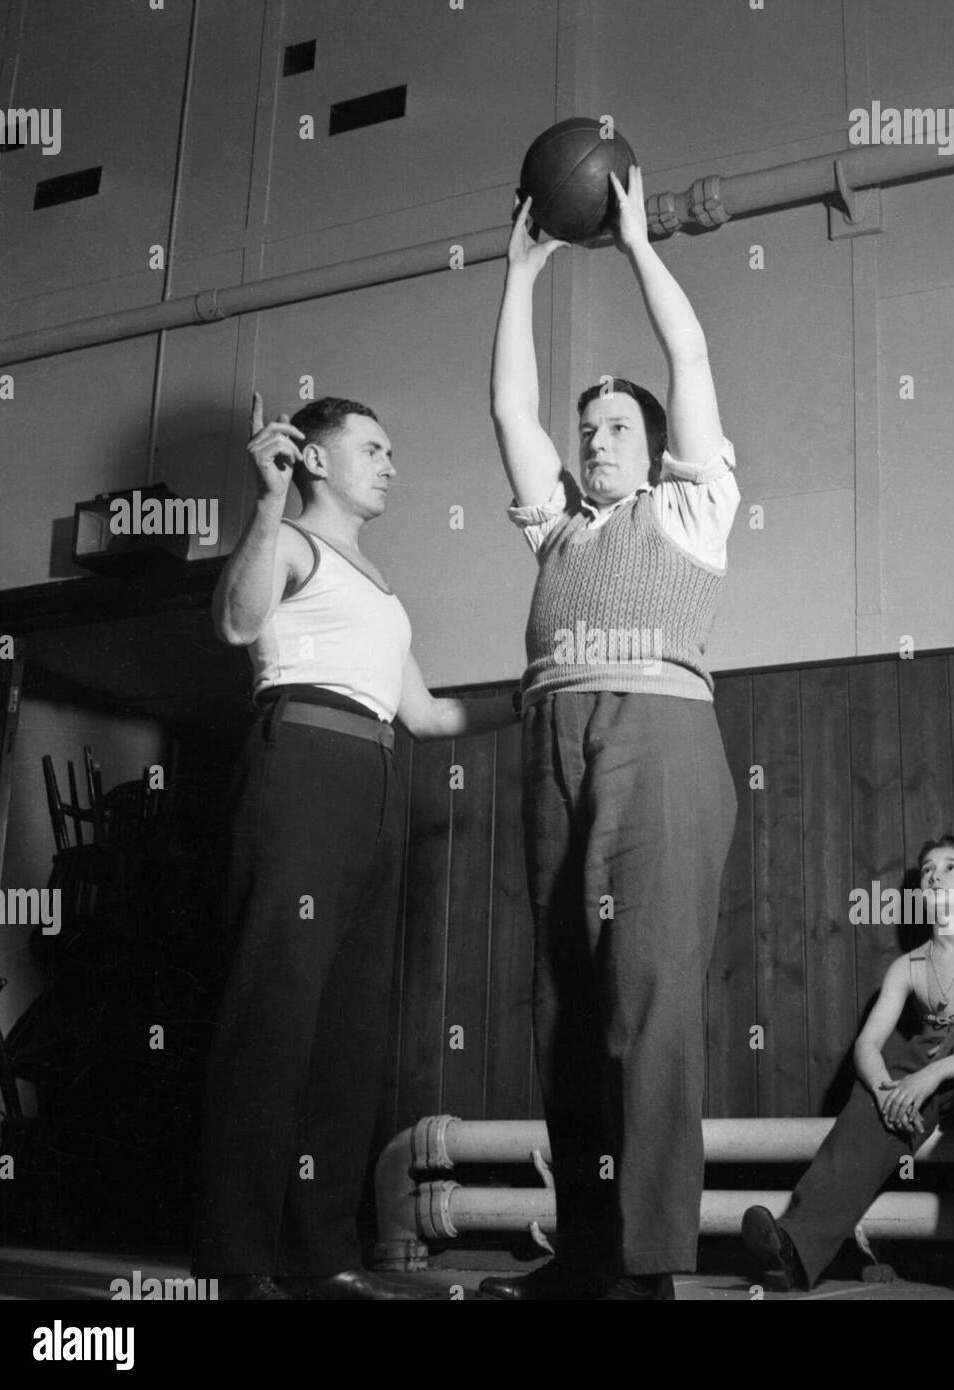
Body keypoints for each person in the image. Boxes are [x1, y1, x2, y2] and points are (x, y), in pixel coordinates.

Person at [478, 167, 739, 1301]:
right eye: (587, 428)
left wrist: (635, 245)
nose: (595, 439)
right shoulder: (561, 535)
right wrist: (518, 275)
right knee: (569, 1010)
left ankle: (648, 1266)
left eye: (617, 425)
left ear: (659, 441)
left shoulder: (690, 508)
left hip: (659, 734)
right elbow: (506, 412)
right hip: (551, 734)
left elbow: (691, 357)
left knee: (649, 1000)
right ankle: (588, 1252)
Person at [192, 393, 516, 1300]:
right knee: (273, 1017)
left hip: (378, 778)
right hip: (300, 765)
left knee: (348, 1034)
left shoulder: (380, 587)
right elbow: (235, 624)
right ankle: (237, 1258)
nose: (390, 464)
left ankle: (320, 1251)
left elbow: (428, 714)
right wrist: (264, 503)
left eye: (391, 449)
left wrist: (537, 693)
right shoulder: (290, 542)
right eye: (373, 448)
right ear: (317, 460)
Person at [741, 834, 954, 1297]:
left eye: (950, 867)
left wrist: (931, 1076)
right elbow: (868, 1044)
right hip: (923, 1055)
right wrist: (882, 1091)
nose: (934, 874)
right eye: (927, 871)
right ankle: (792, 1250)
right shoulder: (907, 967)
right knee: (867, 1107)